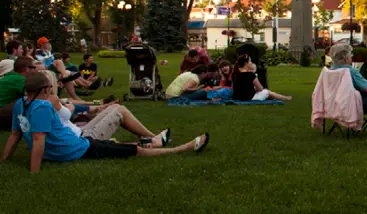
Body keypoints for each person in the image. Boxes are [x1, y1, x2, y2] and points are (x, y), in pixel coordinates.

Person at [1, 72, 210, 172]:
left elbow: (15, 135)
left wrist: (4, 160)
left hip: (77, 144)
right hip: (78, 148)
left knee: (121, 147)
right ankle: (184, 148)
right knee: (133, 151)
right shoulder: (44, 107)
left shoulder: (21, 104)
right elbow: (38, 141)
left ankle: (155, 141)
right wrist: (34, 173)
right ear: (45, 89)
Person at [330, 43, 367, 108]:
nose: (352, 56)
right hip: (355, 104)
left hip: (335, 103)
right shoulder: (350, 71)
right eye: (350, 54)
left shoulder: (330, 70)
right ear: (345, 58)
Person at [0, 57, 33, 130]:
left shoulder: (11, 76)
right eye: (33, 67)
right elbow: (36, 95)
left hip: (3, 108)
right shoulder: (20, 79)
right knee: (30, 102)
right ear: (27, 68)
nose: (35, 70)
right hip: (2, 111)